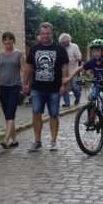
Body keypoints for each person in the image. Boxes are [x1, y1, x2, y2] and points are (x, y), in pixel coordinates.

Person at [23, 22, 69, 152]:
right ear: (40, 34)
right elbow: (29, 67)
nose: (45, 36)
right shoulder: (35, 49)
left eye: (47, 33)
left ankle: (53, 141)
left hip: (54, 88)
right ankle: (37, 141)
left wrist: (64, 85)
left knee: (53, 115)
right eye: (42, 33)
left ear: (51, 33)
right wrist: (25, 83)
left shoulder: (59, 49)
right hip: (37, 88)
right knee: (36, 113)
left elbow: (65, 67)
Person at [64, 39, 103, 134]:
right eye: (94, 51)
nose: (96, 53)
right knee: (91, 98)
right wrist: (70, 77)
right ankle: (91, 120)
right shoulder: (92, 62)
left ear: (102, 51)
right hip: (97, 83)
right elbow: (80, 69)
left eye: (98, 51)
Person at [0, 31, 26, 149]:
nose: (7, 42)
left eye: (10, 39)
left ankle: (5, 139)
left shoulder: (19, 54)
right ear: (3, 41)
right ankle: (15, 140)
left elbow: (23, 70)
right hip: (2, 87)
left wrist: (25, 84)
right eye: (5, 39)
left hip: (15, 86)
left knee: (10, 114)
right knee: (8, 115)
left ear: (13, 40)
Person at [59, 33, 82, 107]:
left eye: (65, 43)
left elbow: (79, 57)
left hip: (73, 71)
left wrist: (75, 59)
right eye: (62, 43)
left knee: (74, 87)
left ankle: (78, 97)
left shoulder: (74, 46)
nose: (63, 44)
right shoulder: (61, 47)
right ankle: (67, 102)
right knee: (64, 86)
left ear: (68, 41)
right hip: (64, 71)